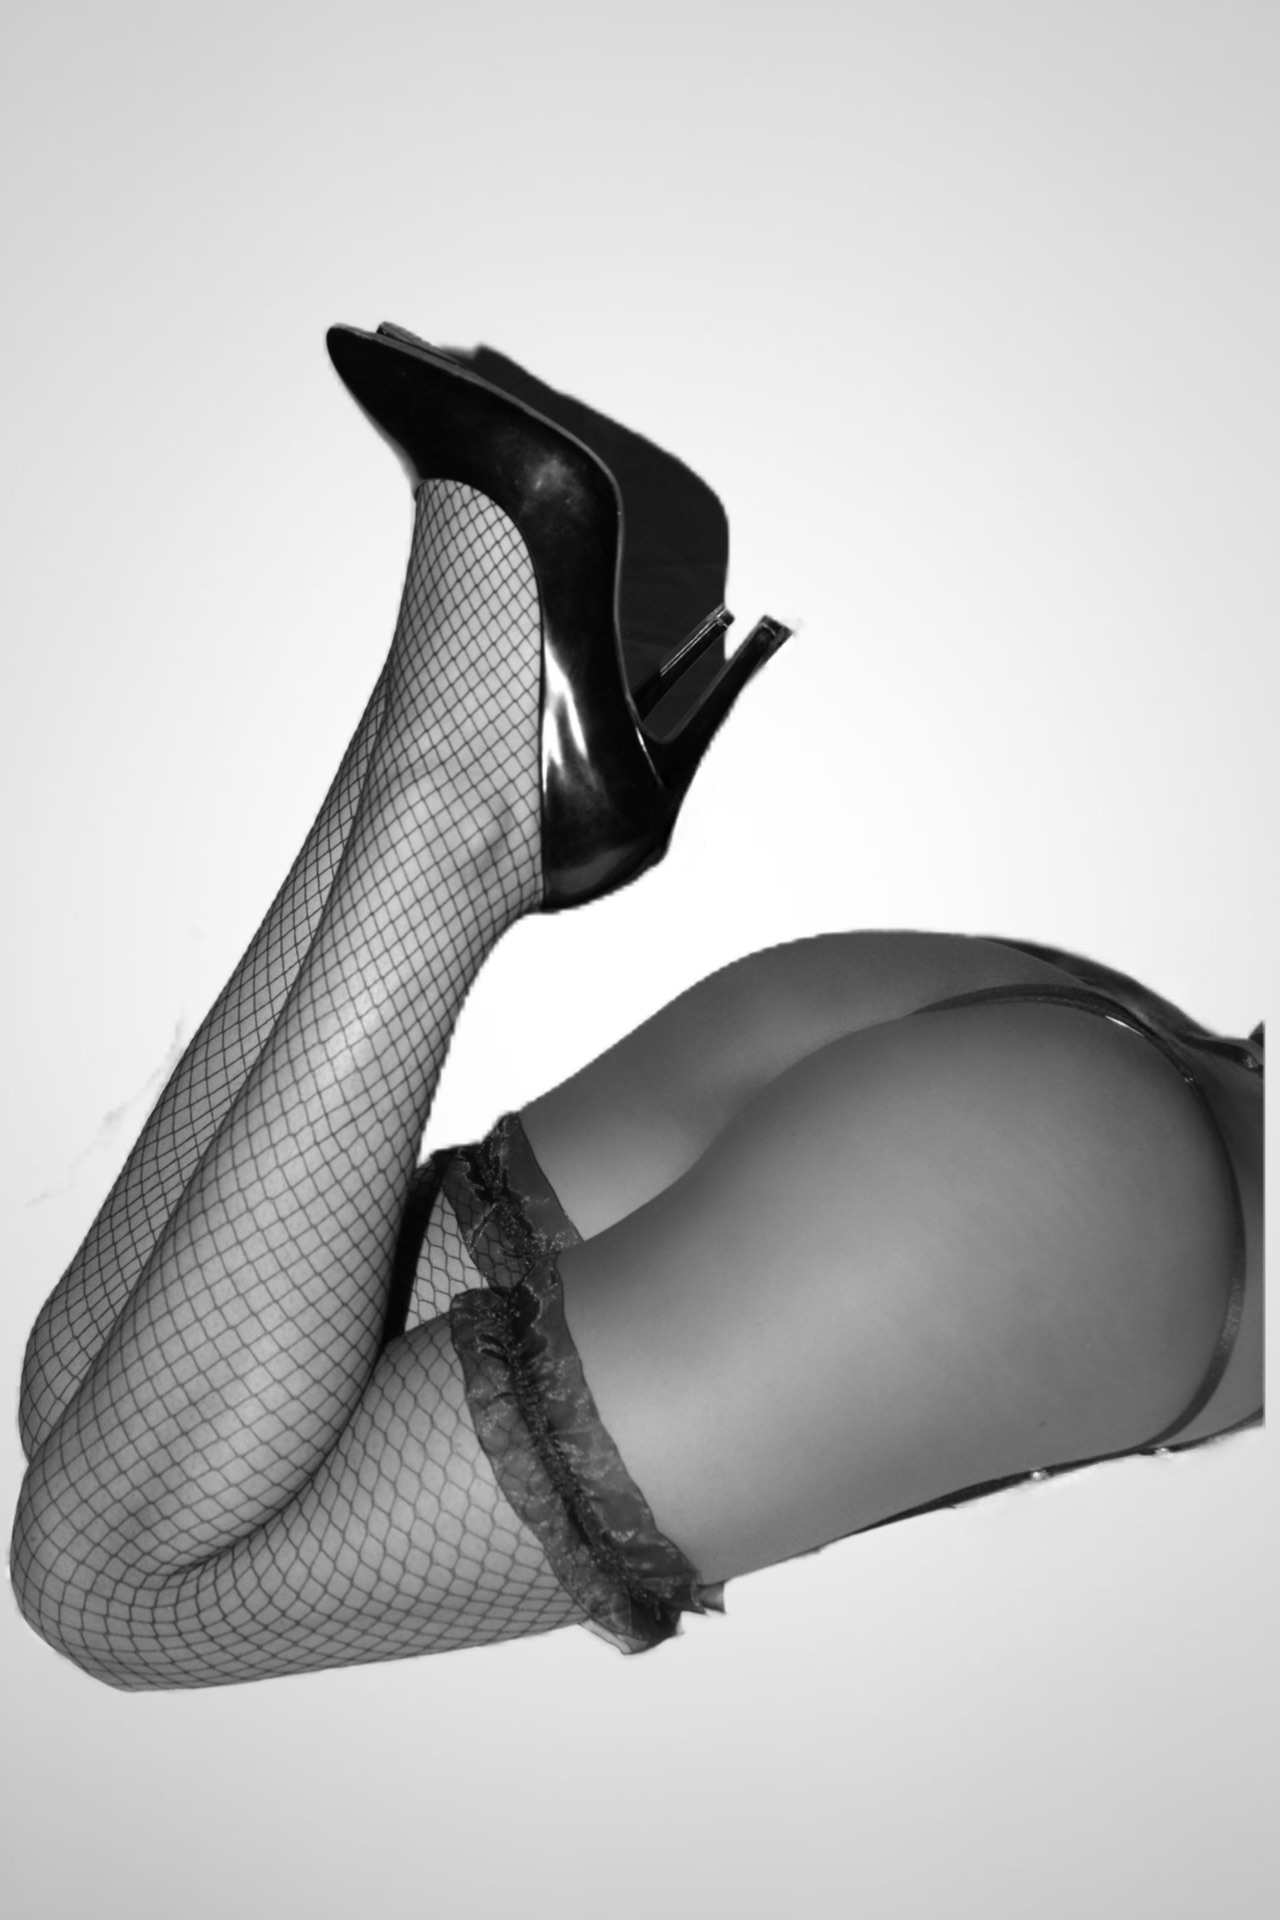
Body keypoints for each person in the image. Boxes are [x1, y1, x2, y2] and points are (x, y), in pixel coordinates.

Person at [11, 323, 1264, 1689]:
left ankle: (472, 700)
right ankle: (466, 800)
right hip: (1070, 1216)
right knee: (116, 1593)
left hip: (1042, 1042)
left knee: (91, 1400)